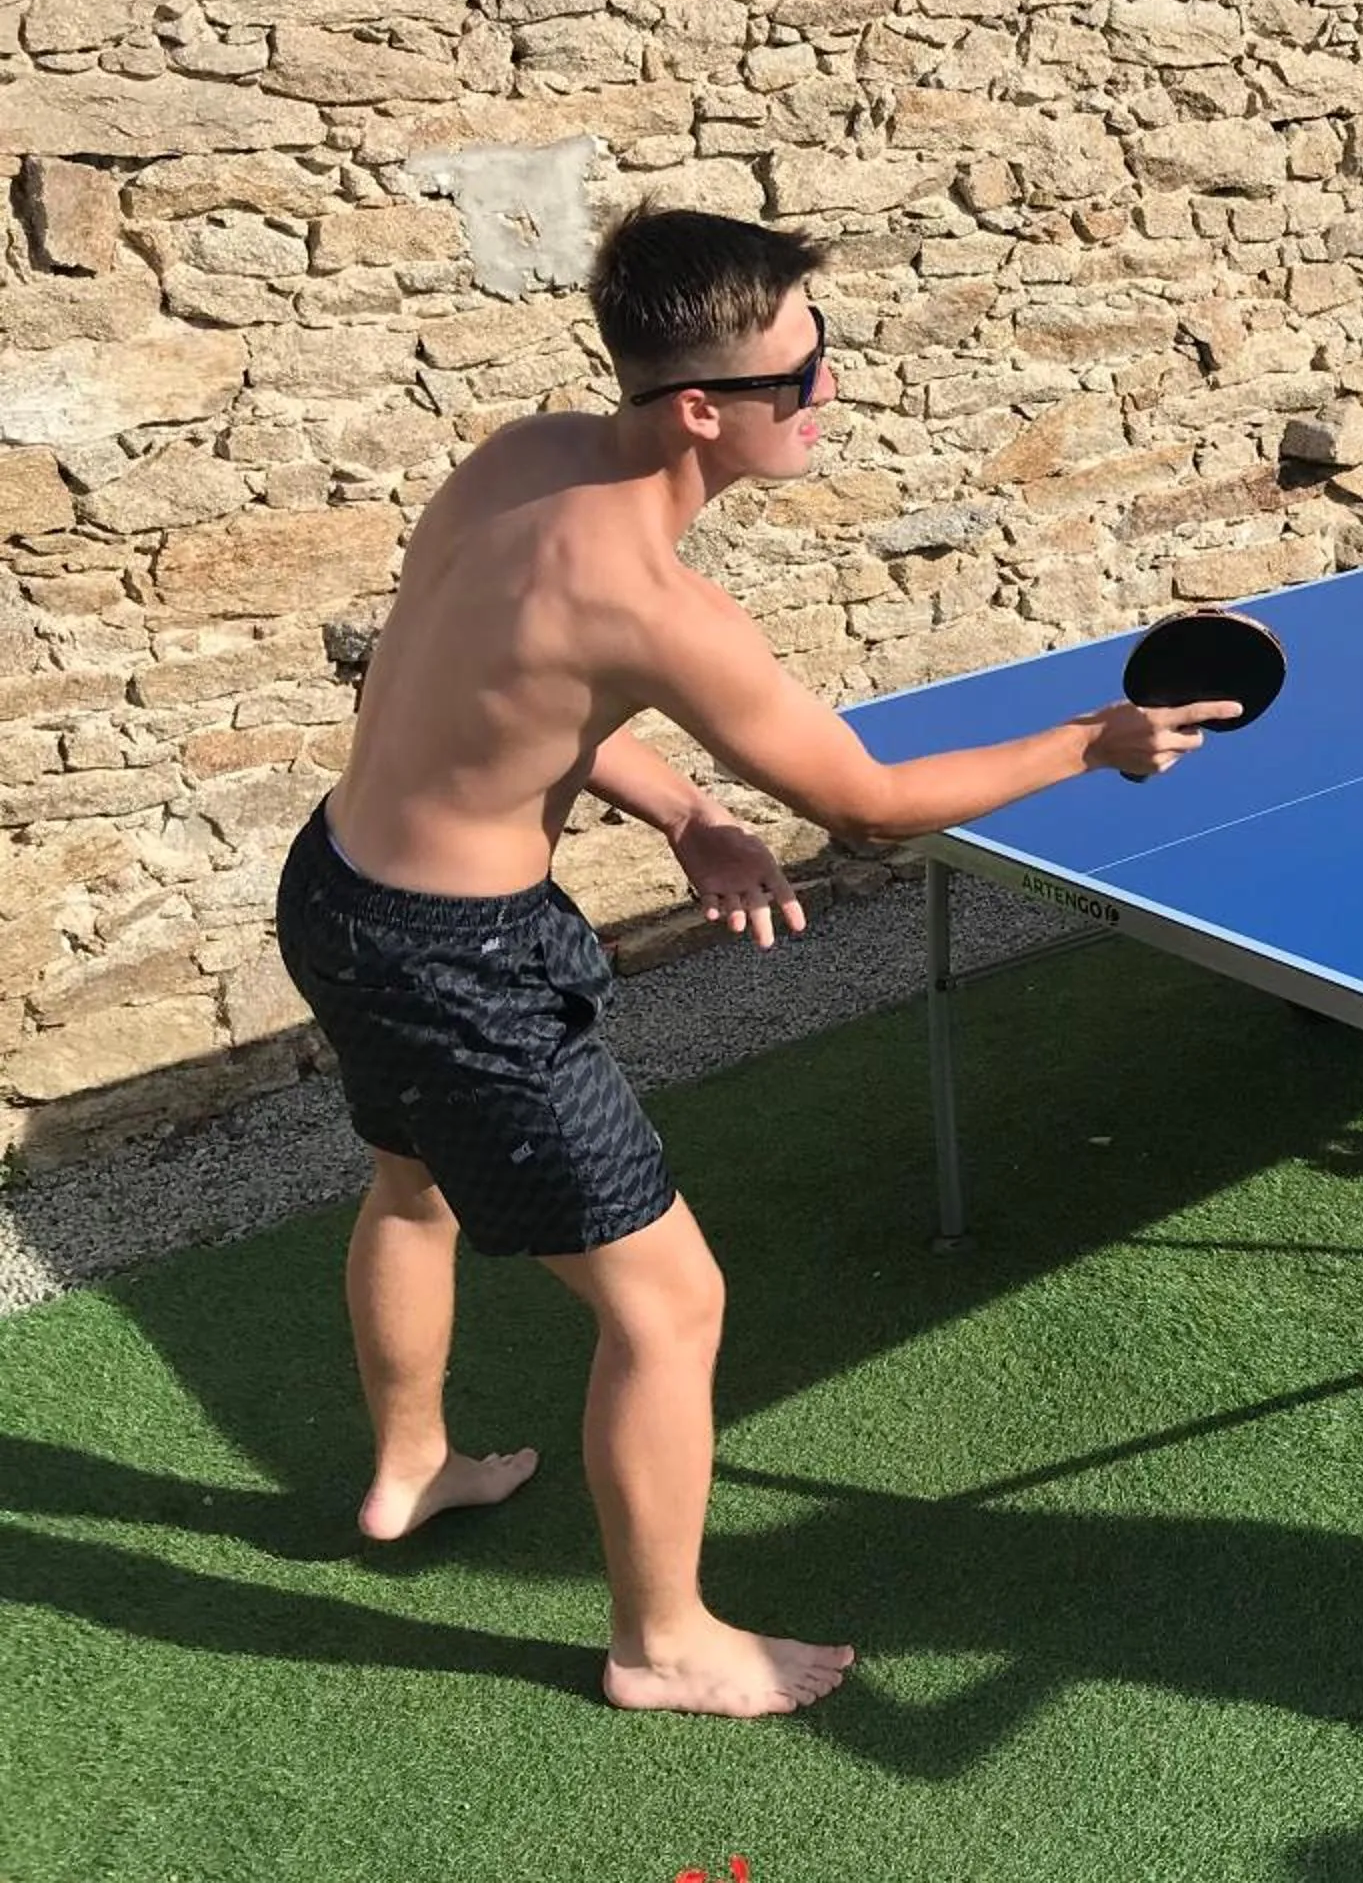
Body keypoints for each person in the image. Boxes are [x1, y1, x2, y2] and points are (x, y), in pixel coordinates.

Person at [271, 206, 1234, 1718]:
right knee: (670, 1308)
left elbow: (481, 686)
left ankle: (411, 1465)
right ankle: (662, 1643)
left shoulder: (518, 461)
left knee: (413, 1182)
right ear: (699, 410)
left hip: (338, 889)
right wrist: (1090, 741)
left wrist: (687, 811)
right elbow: (866, 804)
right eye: (800, 376)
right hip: (460, 969)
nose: (827, 391)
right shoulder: (654, 600)